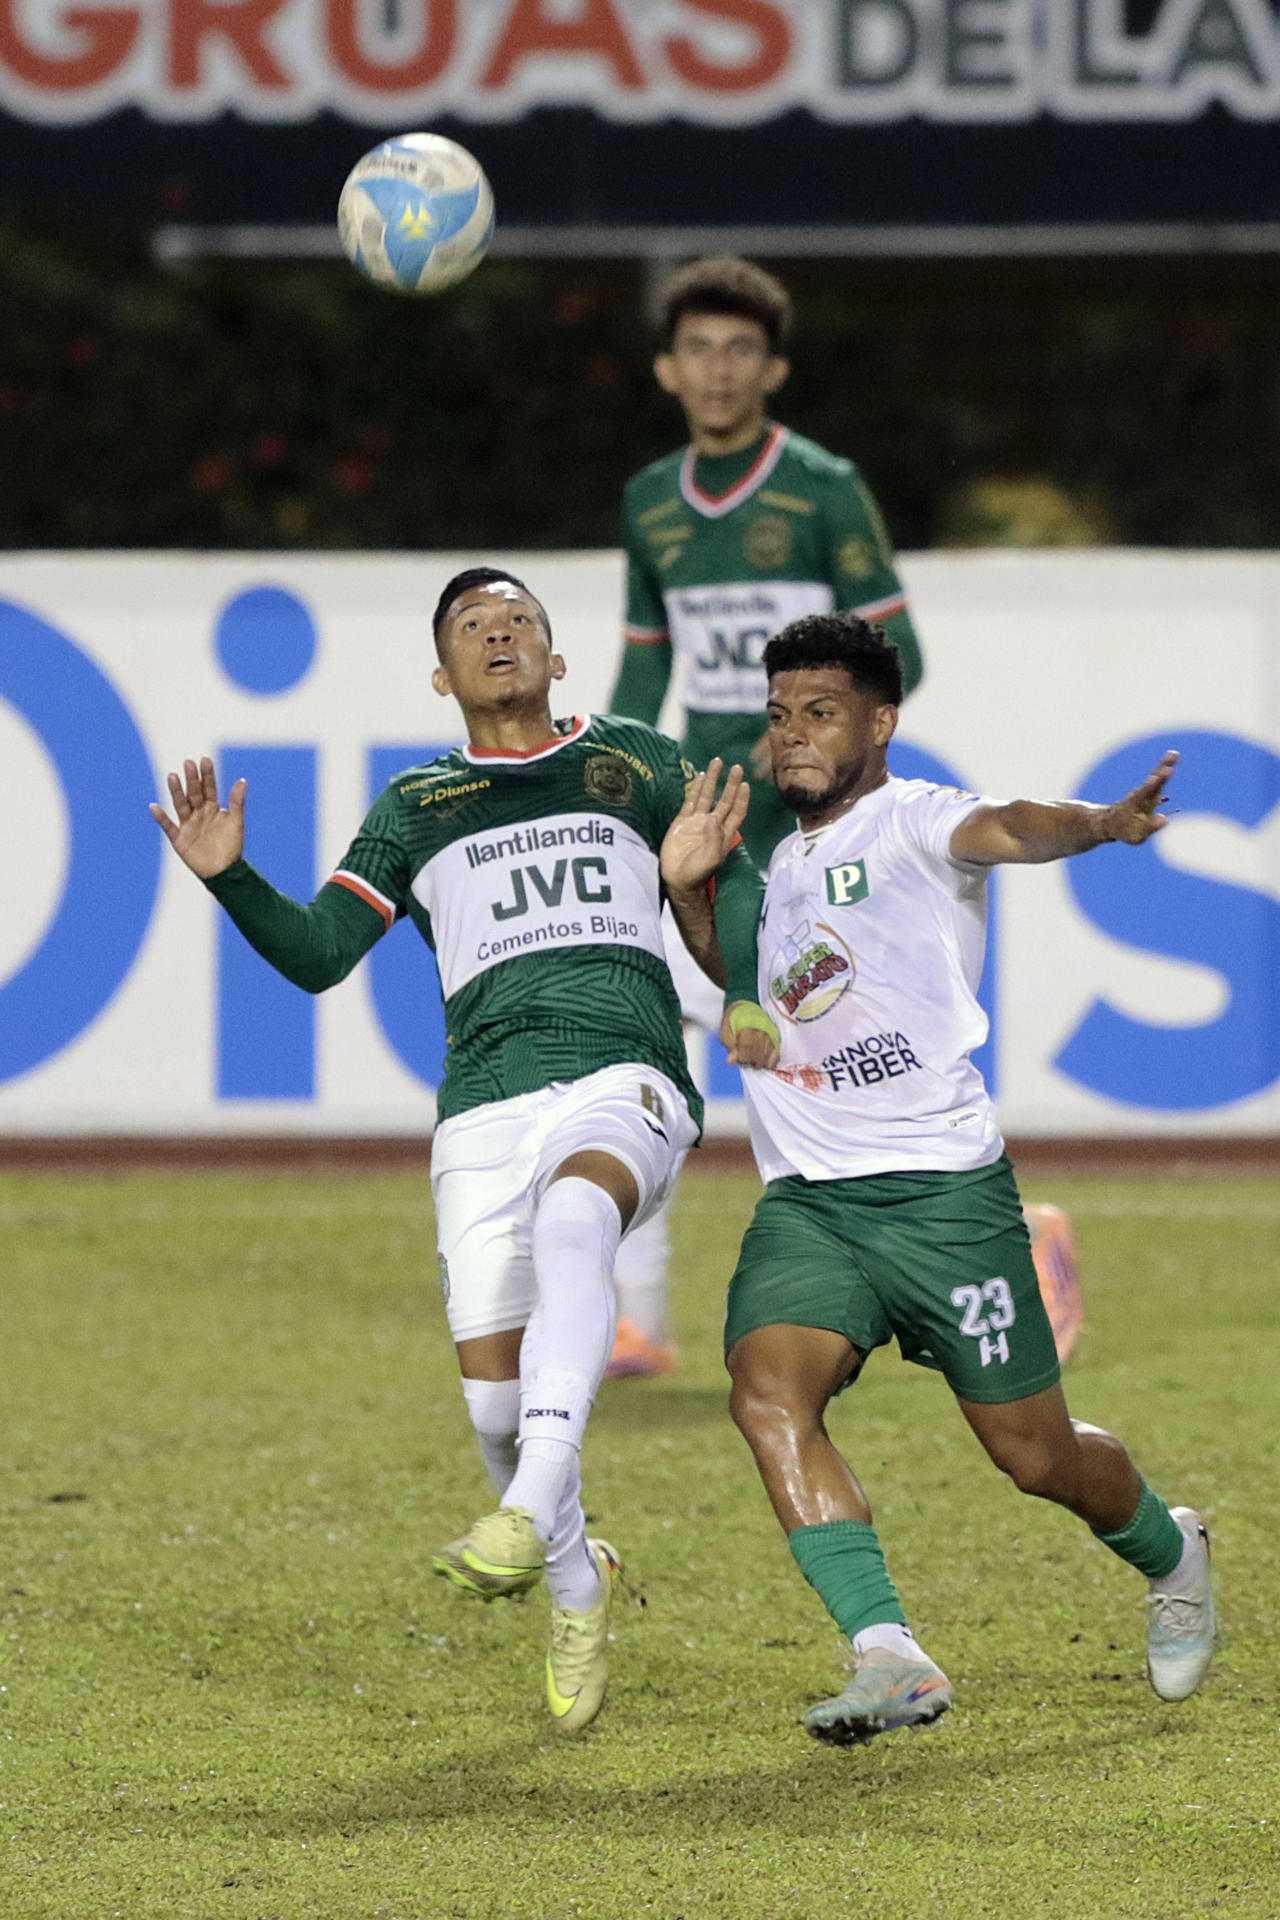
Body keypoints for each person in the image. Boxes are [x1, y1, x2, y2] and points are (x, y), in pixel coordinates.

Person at [150, 567, 768, 1736]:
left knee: (579, 1221)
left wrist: (717, 922)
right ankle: (578, 1584)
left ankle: (532, 1509)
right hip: (483, 1107)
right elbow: (322, 951)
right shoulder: (415, 804)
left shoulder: (636, 760)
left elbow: (724, 891)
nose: (500, 635)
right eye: (474, 628)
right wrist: (231, 876)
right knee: (492, 1406)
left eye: (519, 620)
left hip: (622, 1069)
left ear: (557, 654)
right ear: (442, 675)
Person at [705, 610, 1215, 1748]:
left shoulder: (912, 820)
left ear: (879, 724)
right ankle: (887, 1652)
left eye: (820, 713)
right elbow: (748, 988)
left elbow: (1008, 828)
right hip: (810, 1205)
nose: (792, 736)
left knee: (1032, 1458)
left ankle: (1170, 1549)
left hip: (943, 1198)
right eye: (780, 715)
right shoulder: (775, 868)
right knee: (764, 1393)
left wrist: (1095, 824)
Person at [606, 254, 925, 1378]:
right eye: (697, 347)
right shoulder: (650, 501)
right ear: (665, 368)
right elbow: (645, 674)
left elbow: (902, 658)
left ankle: (1014, 1246)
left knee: (854, 1055)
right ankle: (636, 1318)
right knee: (651, 1052)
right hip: (708, 827)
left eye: (740, 348)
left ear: (773, 367)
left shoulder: (823, 488)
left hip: (811, 825)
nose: (718, 368)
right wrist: (617, 790)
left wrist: (789, 739)